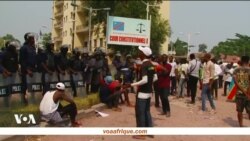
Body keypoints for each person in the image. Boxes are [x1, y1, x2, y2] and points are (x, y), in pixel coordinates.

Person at [125, 46, 158, 140]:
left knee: (140, 113)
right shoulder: (151, 65)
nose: (139, 53)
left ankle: (141, 134)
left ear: (143, 54)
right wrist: (149, 85)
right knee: (147, 112)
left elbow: (145, 80)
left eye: (140, 52)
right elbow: (155, 78)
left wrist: (131, 85)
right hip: (148, 92)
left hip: (142, 93)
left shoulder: (144, 65)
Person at [19, 33, 37, 105]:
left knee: (33, 85)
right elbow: (21, 61)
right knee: (25, 85)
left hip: (33, 69)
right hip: (26, 70)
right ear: (28, 39)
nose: (33, 40)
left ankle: (32, 98)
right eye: (32, 38)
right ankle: (23, 100)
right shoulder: (23, 48)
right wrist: (27, 70)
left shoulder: (33, 47)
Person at [233, 56, 250, 127]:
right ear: (248, 61)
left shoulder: (236, 70)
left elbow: (235, 82)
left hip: (239, 93)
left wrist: (242, 90)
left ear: (242, 61)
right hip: (249, 94)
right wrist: (247, 93)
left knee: (239, 111)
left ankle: (241, 125)